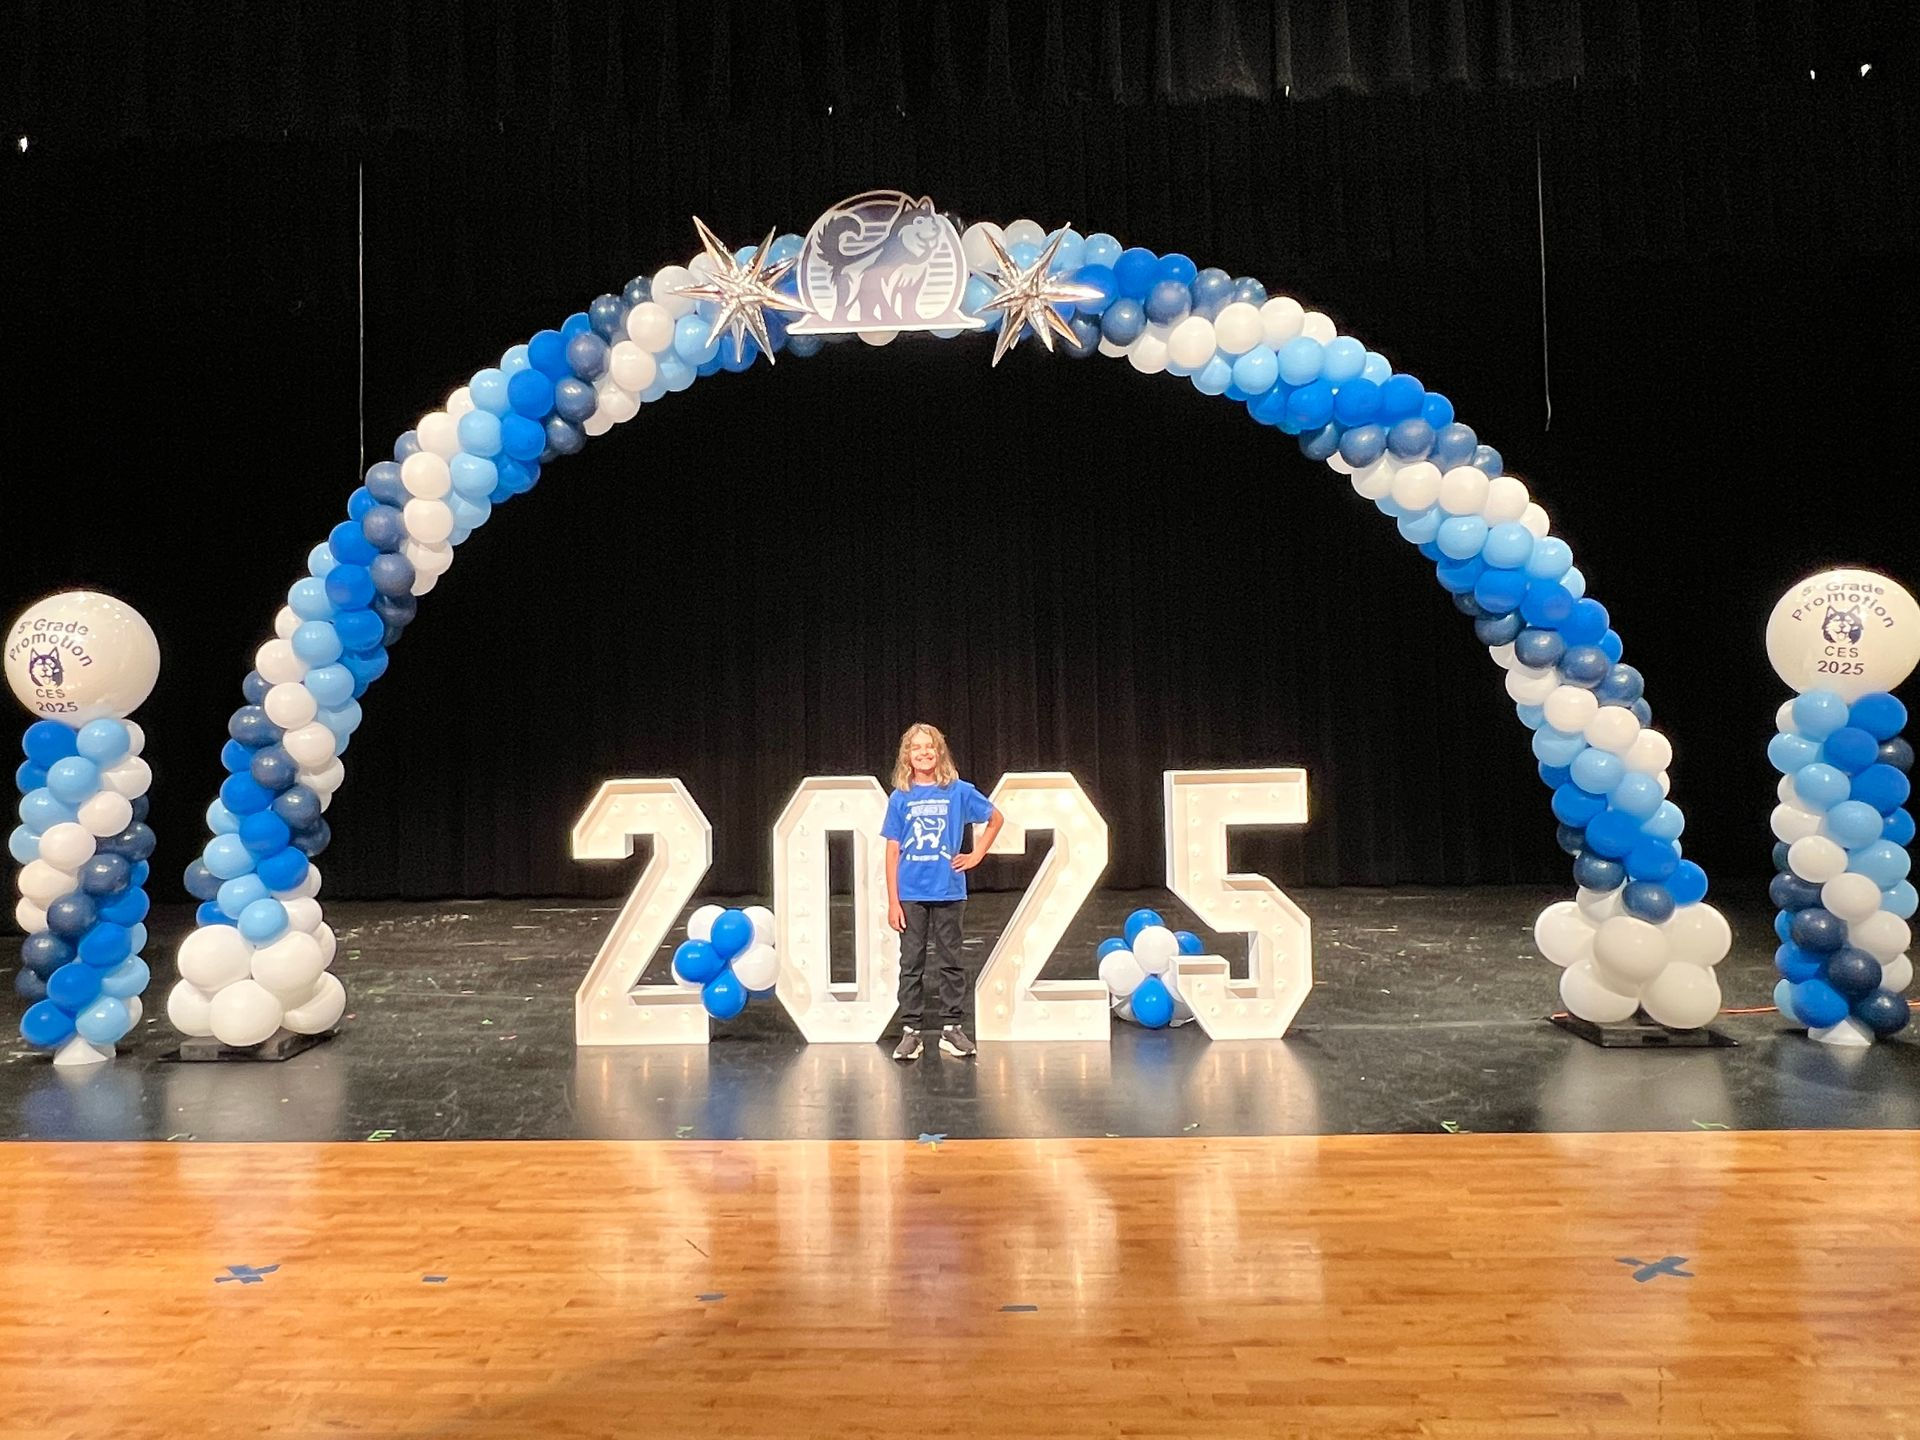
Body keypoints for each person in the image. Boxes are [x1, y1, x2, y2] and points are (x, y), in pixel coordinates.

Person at [881, 722, 1002, 1061]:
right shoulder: (900, 797)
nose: (923, 752)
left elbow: (995, 818)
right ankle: (911, 1031)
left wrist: (977, 853)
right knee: (911, 963)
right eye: (916, 747)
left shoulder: (958, 791)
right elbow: (892, 852)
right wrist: (893, 900)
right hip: (911, 893)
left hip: (948, 890)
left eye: (929, 747)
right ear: (908, 755)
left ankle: (952, 1028)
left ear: (939, 752)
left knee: (951, 962)